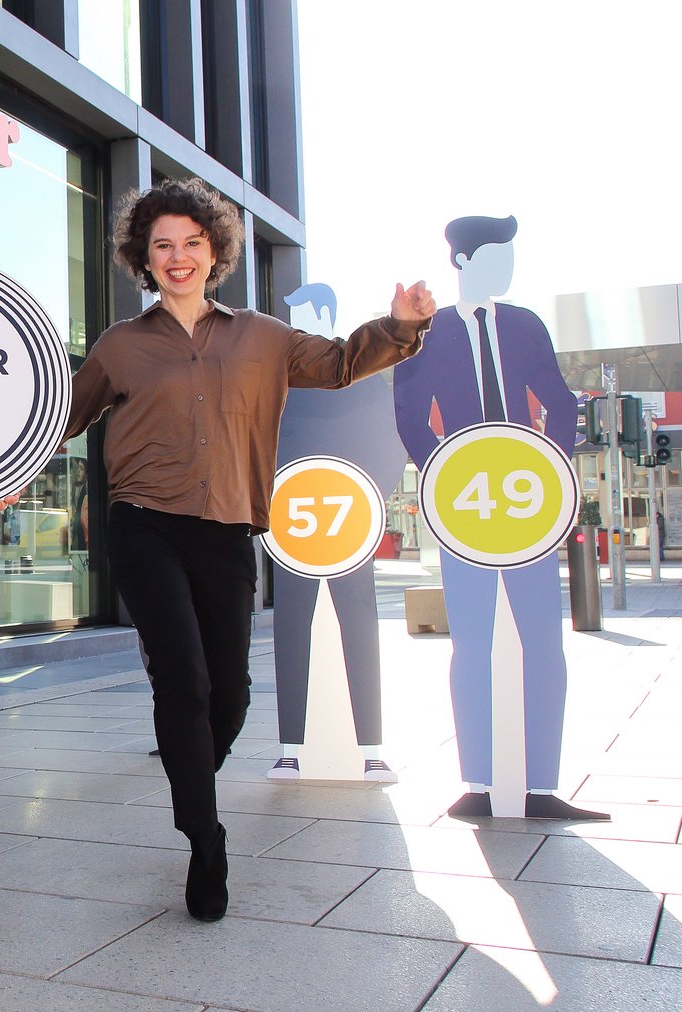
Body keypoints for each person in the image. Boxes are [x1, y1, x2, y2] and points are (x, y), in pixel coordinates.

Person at [62, 177, 434, 922]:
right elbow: (63, 414)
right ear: (143, 255)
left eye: (191, 244)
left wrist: (398, 326)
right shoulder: (120, 345)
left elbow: (336, 363)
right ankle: (204, 838)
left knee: (229, 693)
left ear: (214, 251)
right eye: (162, 245)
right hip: (143, 522)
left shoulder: (262, 337)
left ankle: (192, 779)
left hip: (228, 526)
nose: (177, 257)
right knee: (185, 681)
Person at [393, 215, 608, 821]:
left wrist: (552, 472)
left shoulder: (522, 325)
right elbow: (410, 414)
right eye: (496, 256)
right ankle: (479, 782)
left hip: (528, 502)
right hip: (465, 506)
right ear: (462, 262)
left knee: (542, 639)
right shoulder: (427, 334)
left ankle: (541, 783)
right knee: (473, 641)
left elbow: (560, 402)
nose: (507, 269)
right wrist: (442, 475)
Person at [269, 283, 408, 782]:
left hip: (350, 522)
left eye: (302, 313)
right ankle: (291, 748)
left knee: (359, 625)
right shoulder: (279, 381)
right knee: (291, 628)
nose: (296, 324)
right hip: (289, 526)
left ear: (324, 314)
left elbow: (393, 443)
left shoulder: (364, 377)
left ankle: (370, 747)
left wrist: (368, 499)